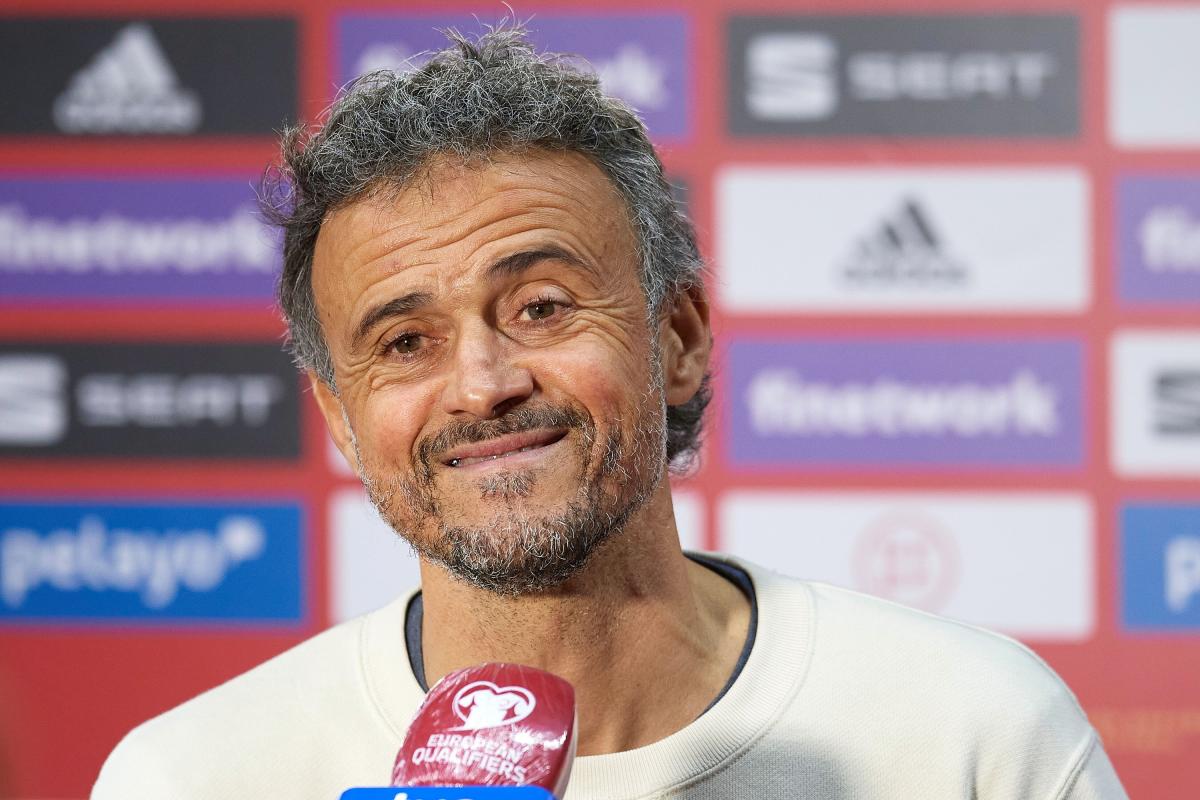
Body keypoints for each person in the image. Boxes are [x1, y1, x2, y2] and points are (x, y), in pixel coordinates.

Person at [92, 26, 1127, 800]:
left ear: (677, 337)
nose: (484, 383)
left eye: (540, 307)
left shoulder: (974, 731)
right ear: (339, 417)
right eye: (405, 342)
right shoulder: (192, 777)